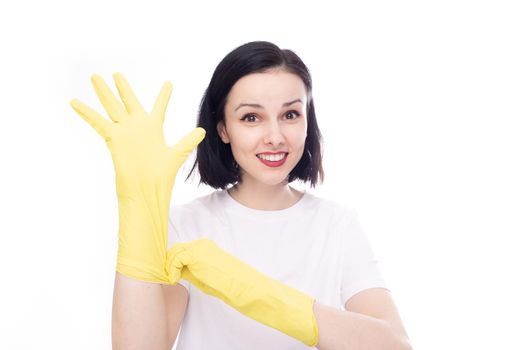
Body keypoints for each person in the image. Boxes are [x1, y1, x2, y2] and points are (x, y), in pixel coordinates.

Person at [71, 41, 412, 350]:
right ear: (223, 128)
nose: (275, 136)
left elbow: (395, 345)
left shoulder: (337, 226)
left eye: (290, 114)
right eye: (251, 117)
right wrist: (137, 207)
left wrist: (255, 292)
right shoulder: (186, 226)